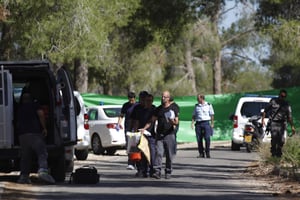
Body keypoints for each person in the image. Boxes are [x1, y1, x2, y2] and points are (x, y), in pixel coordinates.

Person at [16, 88, 55, 184]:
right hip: (35, 133)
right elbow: (41, 114)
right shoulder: (35, 105)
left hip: (22, 135)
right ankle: (42, 171)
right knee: (42, 153)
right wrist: (44, 128)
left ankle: (24, 176)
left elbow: (16, 122)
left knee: (25, 156)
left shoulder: (19, 108)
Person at [142, 91, 179, 179]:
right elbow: (152, 121)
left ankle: (168, 171)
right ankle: (157, 171)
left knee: (169, 155)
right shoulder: (158, 109)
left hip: (169, 134)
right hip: (159, 135)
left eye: (165, 97)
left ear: (168, 98)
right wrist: (144, 128)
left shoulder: (174, 108)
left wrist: (172, 122)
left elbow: (176, 121)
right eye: (162, 97)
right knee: (159, 153)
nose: (163, 98)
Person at [262, 89, 296, 157]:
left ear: (285, 97)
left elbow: (289, 116)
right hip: (273, 122)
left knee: (281, 140)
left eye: (284, 97)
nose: (282, 98)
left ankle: (279, 152)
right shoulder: (273, 101)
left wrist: (292, 126)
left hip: (282, 123)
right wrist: (262, 120)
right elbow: (265, 111)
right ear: (279, 95)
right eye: (281, 96)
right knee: (274, 137)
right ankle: (273, 152)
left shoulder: (286, 104)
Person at [131, 92, 156, 177]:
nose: (148, 102)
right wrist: (135, 133)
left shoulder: (154, 109)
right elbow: (135, 121)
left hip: (151, 135)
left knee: (151, 153)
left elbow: (152, 121)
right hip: (140, 134)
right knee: (140, 153)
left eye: (150, 100)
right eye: (146, 100)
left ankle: (152, 170)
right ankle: (141, 170)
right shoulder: (138, 109)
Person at [117, 91, 137, 170]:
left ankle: (136, 162)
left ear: (134, 98)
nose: (131, 101)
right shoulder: (125, 105)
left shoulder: (137, 105)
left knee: (135, 146)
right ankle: (130, 163)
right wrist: (118, 124)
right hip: (128, 128)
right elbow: (121, 115)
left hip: (135, 128)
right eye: (129, 100)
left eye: (132, 100)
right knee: (129, 146)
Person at [191, 94, 214, 158]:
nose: (197, 100)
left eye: (198, 98)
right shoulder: (196, 106)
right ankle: (201, 153)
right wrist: (192, 123)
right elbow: (194, 115)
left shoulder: (208, 105)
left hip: (206, 123)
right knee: (199, 139)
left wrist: (212, 123)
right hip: (198, 123)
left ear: (202, 98)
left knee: (207, 138)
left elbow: (212, 115)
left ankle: (207, 152)